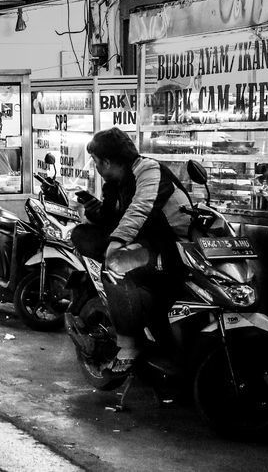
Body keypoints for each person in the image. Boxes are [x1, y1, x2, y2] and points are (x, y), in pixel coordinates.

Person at [74, 127, 193, 372]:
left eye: (95, 161)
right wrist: (92, 209)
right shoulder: (113, 183)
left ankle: (129, 345)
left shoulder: (147, 169)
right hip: (145, 241)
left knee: (115, 266)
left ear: (106, 162)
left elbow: (139, 209)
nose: (95, 166)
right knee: (79, 235)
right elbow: (112, 216)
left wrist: (116, 247)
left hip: (172, 245)